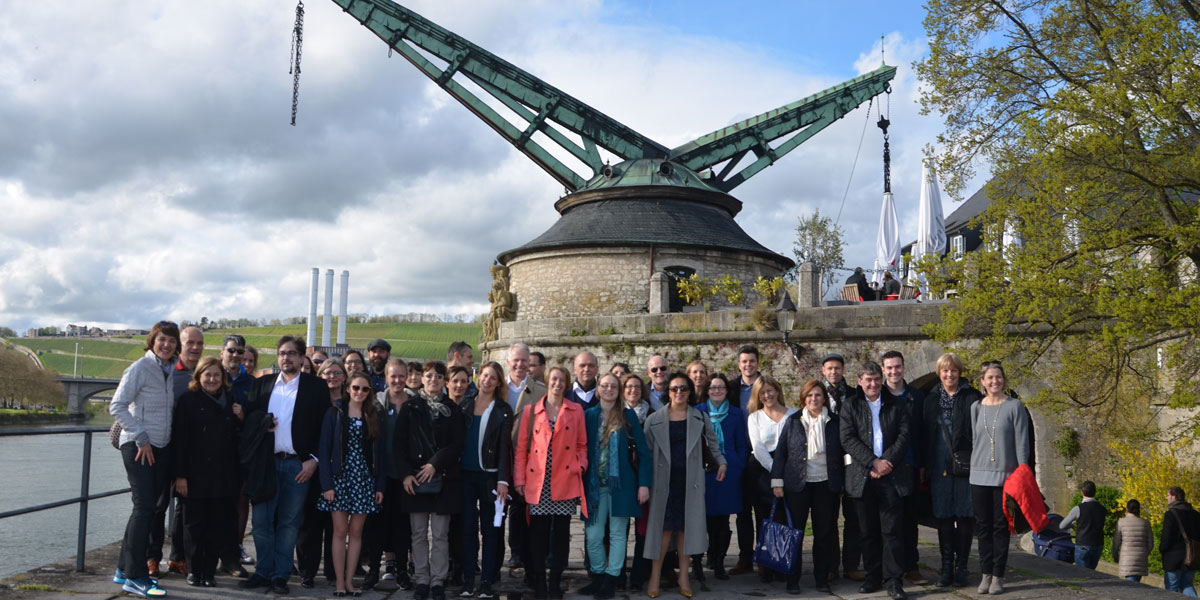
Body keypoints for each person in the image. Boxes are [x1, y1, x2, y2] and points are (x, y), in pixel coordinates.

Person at [239, 336, 329, 595]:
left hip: (298, 466)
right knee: (261, 522)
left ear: (302, 358)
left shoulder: (316, 387)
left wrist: (314, 460)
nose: (286, 357)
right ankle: (263, 572)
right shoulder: (262, 385)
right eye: (282, 353)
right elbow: (250, 422)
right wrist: (260, 424)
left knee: (289, 523)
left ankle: (280, 575)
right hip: (266, 464)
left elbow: (325, 430)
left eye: (291, 353)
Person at [110, 321, 180, 598]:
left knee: (146, 509)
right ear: (152, 341)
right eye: (162, 339)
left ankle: (122, 569)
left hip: (160, 447)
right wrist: (140, 435)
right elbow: (117, 404)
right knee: (144, 508)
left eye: (172, 341)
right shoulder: (140, 367)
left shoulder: (169, 370)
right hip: (139, 447)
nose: (167, 345)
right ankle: (136, 577)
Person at [642, 373, 726, 598]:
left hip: (690, 482)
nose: (679, 392)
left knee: (685, 530)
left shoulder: (699, 417)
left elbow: (714, 444)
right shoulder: (654, 419)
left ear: (690, 392)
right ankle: (654, 576)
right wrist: (644, 484)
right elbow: (645, 455)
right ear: (668, 392)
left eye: (683, 389)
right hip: (663, 483)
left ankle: (684, 576)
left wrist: (722, 463)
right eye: (674, 389)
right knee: (664, 530)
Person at [514, 366, 588, 600]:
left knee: (562, 532)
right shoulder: (531, 410)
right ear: (547, 381)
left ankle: (556, 579)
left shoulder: (576, 410)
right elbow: (521, 449)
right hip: (539, 479)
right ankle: (539, 580)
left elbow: (582, 445)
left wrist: (580, 466)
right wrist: (520, 479)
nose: (557, 383)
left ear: (567, 384)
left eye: (562, 380)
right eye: (553, 379)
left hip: (565, 478)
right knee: (538, 533)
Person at [841, 361, 912, 600]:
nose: (873, 384)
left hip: (890, 476)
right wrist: (872, 462)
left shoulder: (897, 404)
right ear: (859, 381)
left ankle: (894, 580)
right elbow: (848, 439)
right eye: (868, 380)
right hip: (862, 476)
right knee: (867, 531)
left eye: (876, 379)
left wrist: (884, 463)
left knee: (891, 531)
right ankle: (873, 576)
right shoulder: (850, 405)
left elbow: (903, 436)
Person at [395, 361, 466, 600]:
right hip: (415, 478)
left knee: (440, 534)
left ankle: (438, 580)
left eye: (438, 376)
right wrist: (405, 474)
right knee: (417, 533)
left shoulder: (452, 409)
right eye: (429, 376)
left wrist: (435, 463)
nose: (433, 379)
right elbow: (399, 444)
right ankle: (422, 578)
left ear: (444, 381)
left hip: (443, 478)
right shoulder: (410, 407)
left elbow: (457, 444)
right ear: (421, 379)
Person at [172, 356, 241, 588]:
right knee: (193, 526)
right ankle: (194, 570)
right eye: (207, 375)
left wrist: (240, 417)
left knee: (216, 526)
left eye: (216, 375)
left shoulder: (230, 400)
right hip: (194, 475)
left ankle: (209, 572)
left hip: (222, 475)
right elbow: (179, 441)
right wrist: (180, 476)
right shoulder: (187, 400)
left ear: (223, 379)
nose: (212, 379)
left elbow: (236, 439)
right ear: (199, 376)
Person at [581, 373, 652, 600]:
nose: (609, 389)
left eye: (613, 386)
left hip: (622, 485)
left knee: (618, 534)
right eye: (605, 385)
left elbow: (643, 453)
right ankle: (599, 575)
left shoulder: (627, 416)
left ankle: (612, 579)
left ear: (618, 390)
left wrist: (644, 485)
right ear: (598, 389)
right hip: (594, 485)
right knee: (593, 535)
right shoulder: (588, 416)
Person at [770, 380, 844, 594]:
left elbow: (841, 452)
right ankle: (792, 579)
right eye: (810, 395)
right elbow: (781, 453)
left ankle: (821, 578)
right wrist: (777, 482)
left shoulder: (834, 421)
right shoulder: (793, 421)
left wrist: (842, 482)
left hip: (825, 484)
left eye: (818, 395)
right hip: (797, 484)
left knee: (823, 534)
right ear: (804, 398)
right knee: (796, 534)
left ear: (824, 398)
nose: (814, 399)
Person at [317, 371, 387, 597]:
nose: (360, 392)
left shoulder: (373, 415)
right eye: (356, 387)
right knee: (339, 532)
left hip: (364, 479)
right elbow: (324, 449)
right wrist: (327, 484)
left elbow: (380, 454)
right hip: (340, 478)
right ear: (348, 388)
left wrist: (380, 486)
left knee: (356, 533)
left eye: (365, 389)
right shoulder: (335, 412)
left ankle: (349, 581)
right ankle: (339, 581)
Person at [970, 361, 1032, 596]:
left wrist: (1023, 472)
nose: (994, 381)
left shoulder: (1015, 406)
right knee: (983, 528)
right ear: (982, 381)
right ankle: (985, 573)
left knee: (1000, 527)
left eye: (998, 377)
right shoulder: (976, 407)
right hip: (978, 476)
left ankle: (998, 575)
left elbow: (1021, 443)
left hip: (1006, 478)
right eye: (990, 377)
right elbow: (976, 441)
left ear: (1003, 380)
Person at [458, 361, 513, 599]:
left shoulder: (503, 410)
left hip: (490, 478)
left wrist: (503, 480)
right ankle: (469, 579)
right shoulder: (465, 404)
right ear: (479, 377)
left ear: (499, 382)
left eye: (493, 377)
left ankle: (487, 580)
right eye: (484, 375)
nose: (487, 380)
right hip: (465, 477)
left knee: (491, 531)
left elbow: (505, 449)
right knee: (467, 528)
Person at [921, 352, 976, 587]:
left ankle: (961, 566)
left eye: (953, 370)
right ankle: (945, 568)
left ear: (959, 372)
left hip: (965, 465)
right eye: (945, 370)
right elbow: (924, 435)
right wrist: (924, 465)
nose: (949, 374)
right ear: (939, 373)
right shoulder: (931, 400)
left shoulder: (972, 397)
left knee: (964, 516)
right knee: (943, 517)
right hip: (939, 466)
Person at [154, 325, 203, 578]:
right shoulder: (168, 372)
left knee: (185, 508)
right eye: (190, 343)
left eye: (199, 344)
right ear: (181, 345)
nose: (195, 348)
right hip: (163, 448)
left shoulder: (204, 374)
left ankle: (177, 558)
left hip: (190, 454)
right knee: (157, 505)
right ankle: (151, 558)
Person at [364, 359, 413, 591]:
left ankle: (402, 570)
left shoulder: (414, 404)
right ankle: (374, 569)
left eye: (401, 376)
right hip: (381, 475)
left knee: (402, 527)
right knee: (377, 526)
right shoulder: (376, 404)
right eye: (393, 376)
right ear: (386, 378)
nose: (397, 380)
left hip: (404, 476)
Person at [297, 359, 346, 588]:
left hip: (341, 471)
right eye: (327, 372)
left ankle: (332, 570)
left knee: (336, 524)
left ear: (344, 377)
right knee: (311, 523)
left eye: (337, 373)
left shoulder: (350, 402)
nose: (332, 377)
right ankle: (308, 570)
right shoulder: (311, 399)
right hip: (314, 467)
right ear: (319, 374)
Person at [697, 373, 749, 582]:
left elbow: (742, 444)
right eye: (712, 388)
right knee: (705, 518)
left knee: (723, 520)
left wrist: (737, 464)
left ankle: (719, 562)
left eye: (721, 387)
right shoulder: (699, 412)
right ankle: (702, 560)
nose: (717, 391)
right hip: (706, 470)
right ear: (707, 390)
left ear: (727, 391)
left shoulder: (736, 414)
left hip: (730, 471)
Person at [745, 374, 796, 583]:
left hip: (789, 470)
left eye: (770, 390)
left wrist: (785, 471)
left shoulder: (793, 415)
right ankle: (765, 565)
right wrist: (777, 471)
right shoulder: (754, 417)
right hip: (762, 472)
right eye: (763, 392)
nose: (767, 395)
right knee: (765, 518)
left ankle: (782, 563)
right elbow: (758, 448)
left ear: (777, 391)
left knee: (784, 518)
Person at [882, 351, 927, 586]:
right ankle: (889, 570)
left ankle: (911, 567)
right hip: (885, 467)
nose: (894, 371)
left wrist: (920, 464)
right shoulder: (876, 395)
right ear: (883, 370)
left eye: (897, 367)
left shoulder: (915, 396)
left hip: (909, 465)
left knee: (910, 521)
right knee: (889, 523)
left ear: (903, 367)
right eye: (889, 368)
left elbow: (920, 433)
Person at [504, 343, 547, 572]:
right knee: (502, 509)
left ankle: (528, 558)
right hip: (500, 457)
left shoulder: (540, 390)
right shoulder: (497, 387)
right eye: (516, 360)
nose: (520, 365)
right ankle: (511, 553)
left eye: (524, 361)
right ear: (508, 362)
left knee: (526, 507)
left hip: (529, 458)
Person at [820, 352, 862, 582]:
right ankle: (831, 565)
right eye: (829, 368)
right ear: (823, 371)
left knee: (853, 517)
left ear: (843, 370)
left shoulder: (855, 395)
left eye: (837, 368)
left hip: (852, 460)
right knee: (828, 518)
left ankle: (851, 564)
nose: (834, 372)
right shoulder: (818, 395)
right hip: (827, 462)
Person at [220, 334, 256, 570]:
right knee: (217, 501)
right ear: (222, 351)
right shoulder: (212, 376)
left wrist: (244, 417)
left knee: (242, 501)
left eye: (239, 351)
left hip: (241, 450)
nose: (235, 355)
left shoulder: (251, 384)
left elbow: (256, 418)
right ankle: (214, 550)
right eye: (231, 350)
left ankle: (234, 549)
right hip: (214, 451)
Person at [729, 346, 761, 578]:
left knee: (763, 510)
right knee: (742, 512)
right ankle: (745, 558)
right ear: (739, 365)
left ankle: (765, 557)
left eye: (751, 361)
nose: (748, 365)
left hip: (761, 455)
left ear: (757, 363)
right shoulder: (731, 388)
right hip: (740, 453)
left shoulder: (766, 385)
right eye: (744, 362)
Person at [620, 373, 652, 591]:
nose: (633, 390)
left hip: (643, 475)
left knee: (643, 528)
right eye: (629, 387)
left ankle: (640, 574)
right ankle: (618, 573)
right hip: (623, 476)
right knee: (619, 529)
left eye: (637, 387)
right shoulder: (615, 413)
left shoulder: (651, 413)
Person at [1160, 486, 1199, 596]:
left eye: (1168, 495)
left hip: (1173, 559)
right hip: (1192, 557)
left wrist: (1162, 549)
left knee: (1172, 588)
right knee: (1187, 584)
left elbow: (1166, 537)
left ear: (1174, 497)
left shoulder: (1171, 514)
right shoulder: (1195, 514)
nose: (1166, 498)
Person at [1060, 480, 1105, 570]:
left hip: (1083, 543)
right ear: (1095, 492)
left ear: (1082, 493)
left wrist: (1072, 526)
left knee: (1082, 573)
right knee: (1092, 571)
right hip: (1098, 544)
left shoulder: (1078, 508)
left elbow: (1062, 526)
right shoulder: (1102, 509)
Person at [1112, 499, 1152, 583]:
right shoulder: (1145, 523)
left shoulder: (1121, 522)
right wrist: (1145, 552)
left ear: (1127, 509)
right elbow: (1150, 543)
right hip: (1141, 557)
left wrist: (1115, 554)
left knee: (1131, 584)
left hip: (1126, 558)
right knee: (1136, 581)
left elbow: (1116, 541)